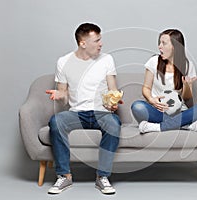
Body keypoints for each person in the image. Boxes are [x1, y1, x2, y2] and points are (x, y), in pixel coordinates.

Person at [45, 23, 122, 195]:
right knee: (56, 121)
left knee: (114, 123)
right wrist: (60, 94)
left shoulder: (107, 59)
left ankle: (102, 177)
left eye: (100, 39)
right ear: (83, 43)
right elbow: (64, 95)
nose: (101, 44)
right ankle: (64, 176)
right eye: (97, 40)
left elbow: (113, 90)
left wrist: (113, 102)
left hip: (101, 113)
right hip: (76, 113)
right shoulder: (63, 62)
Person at [131, 29, 197, 133]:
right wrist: (151, 100)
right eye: (159, 43)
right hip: (158, 111)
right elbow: (146, 88)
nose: (159, 46)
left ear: (175, 46)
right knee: (137, 106)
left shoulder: (187, 65)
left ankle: (156, 127)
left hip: (180, 112)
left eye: (163, 43)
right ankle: (184, 125)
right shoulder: (153, 61)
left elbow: (187, 98)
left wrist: (186, 85)